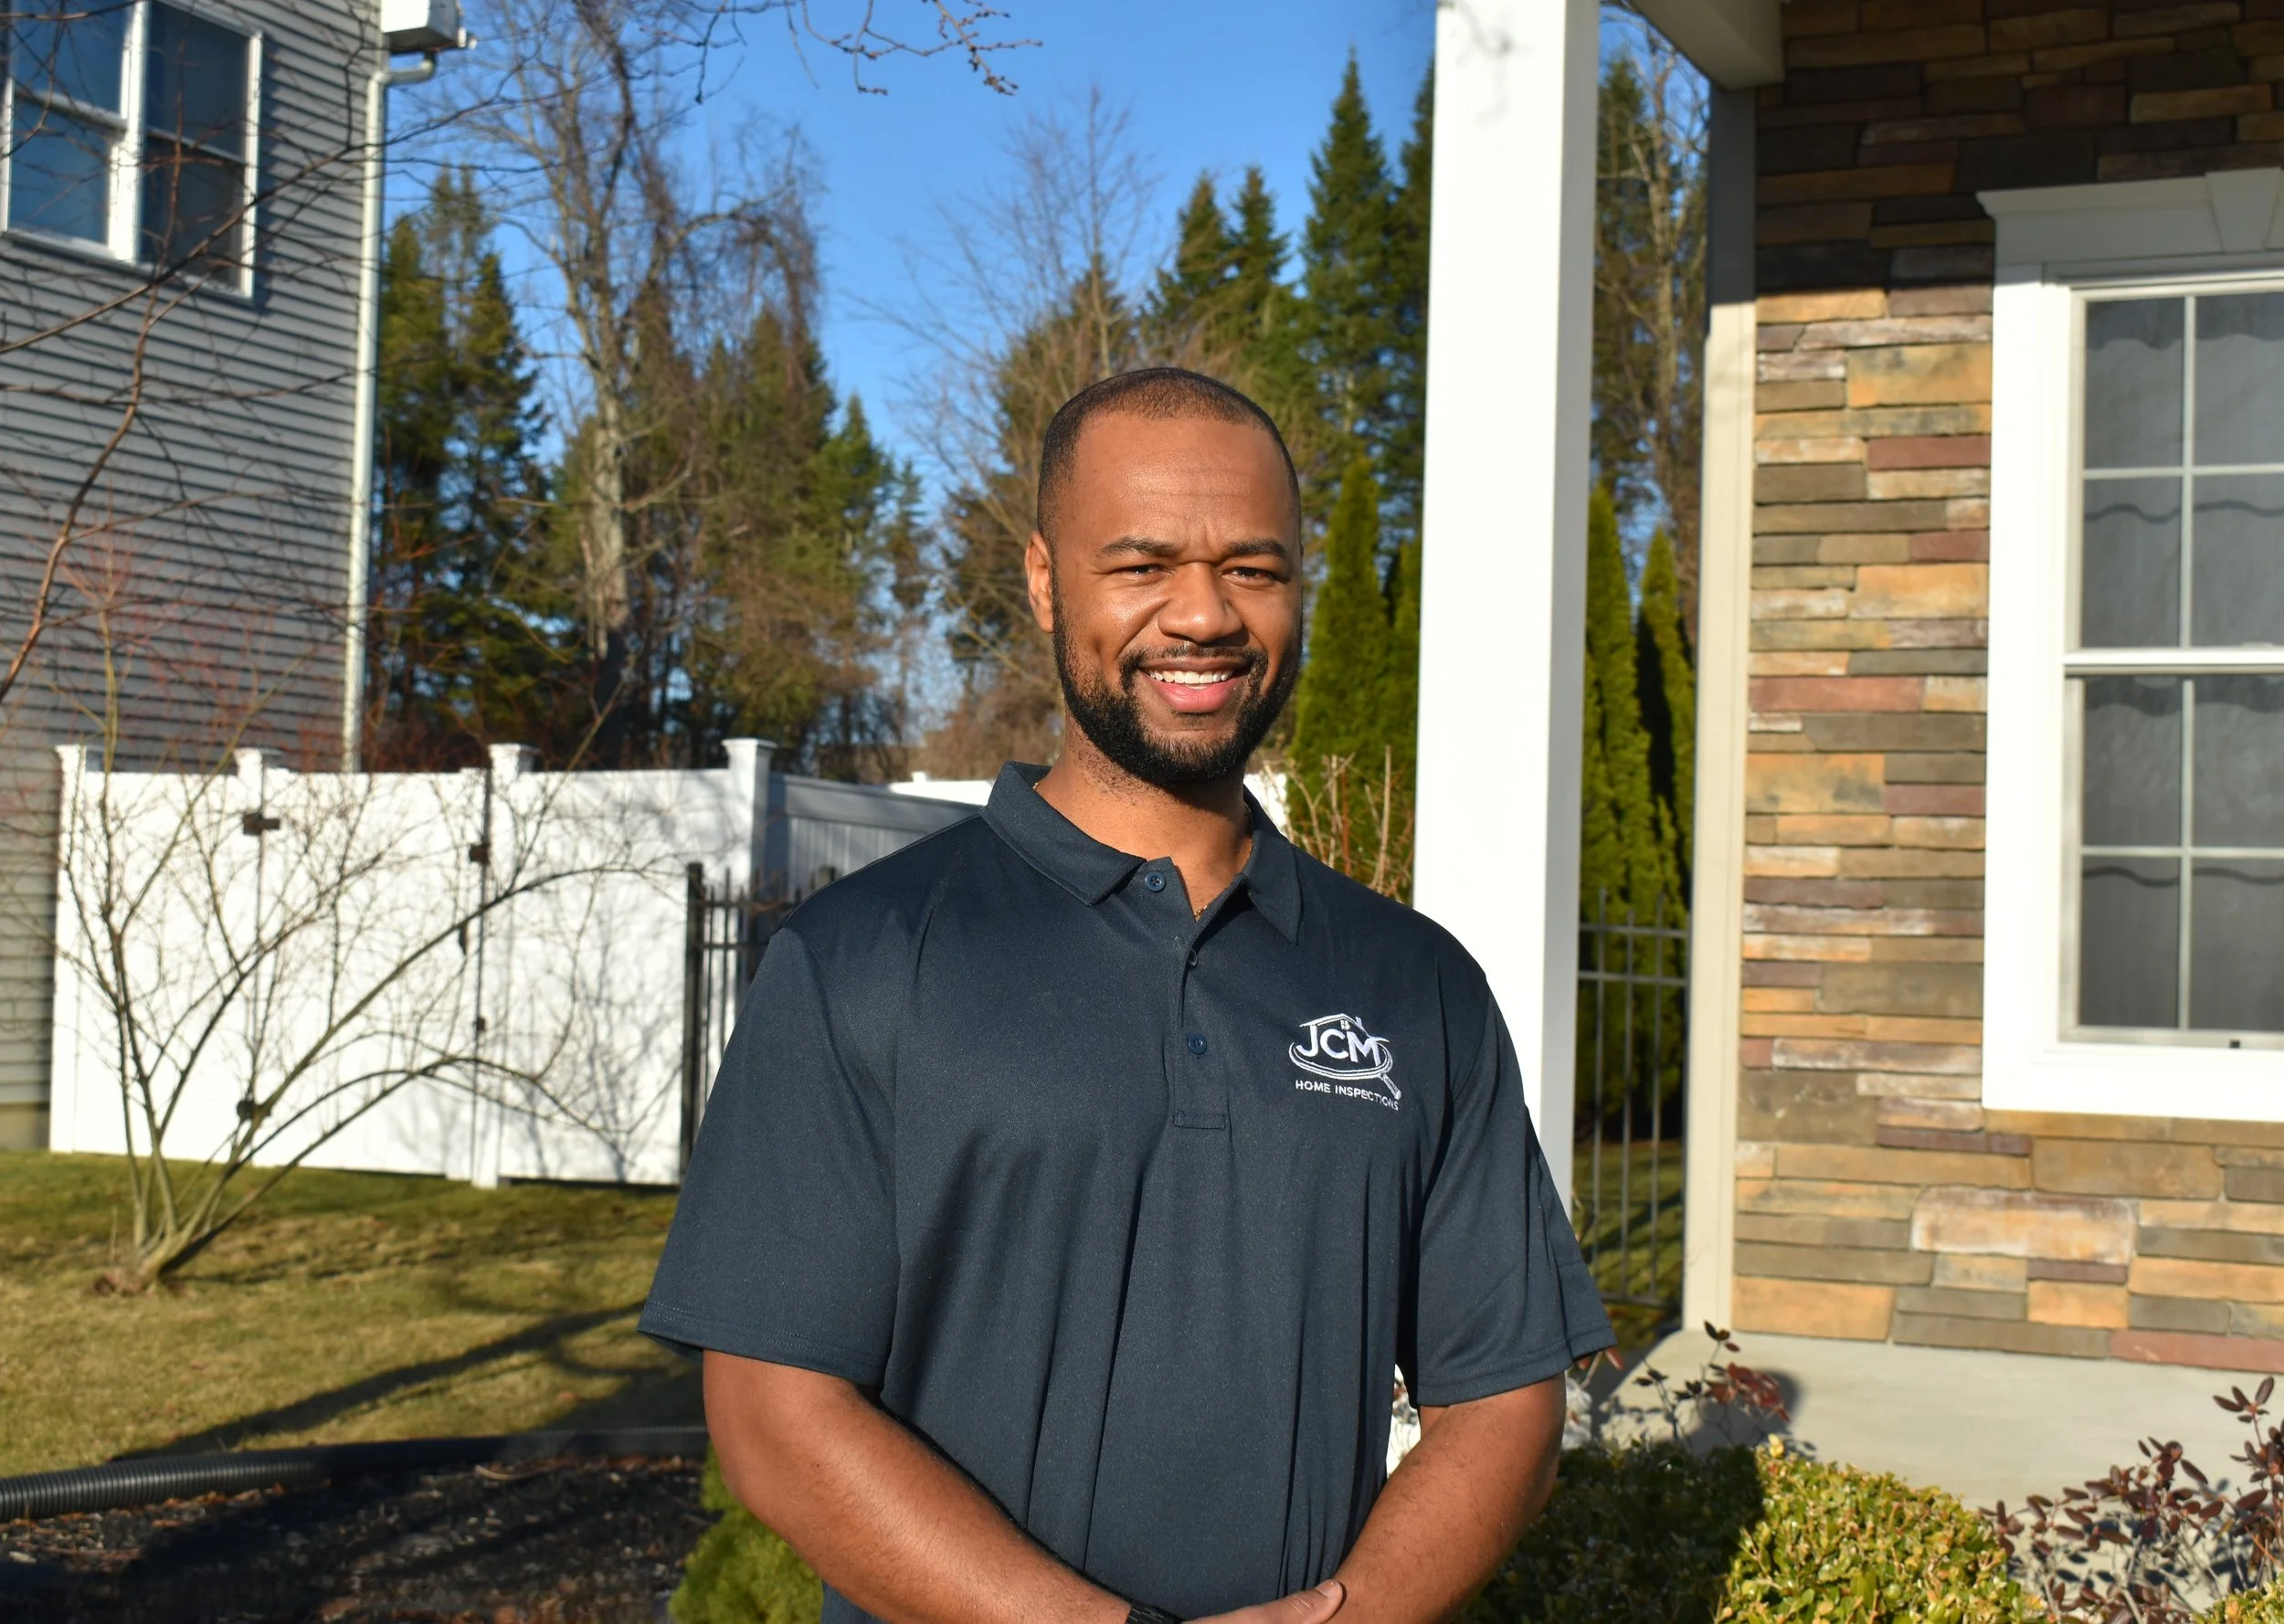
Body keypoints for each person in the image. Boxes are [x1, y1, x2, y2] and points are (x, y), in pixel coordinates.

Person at [640, 368, 1613, 1624]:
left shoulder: (1418, 988)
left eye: (1252, 567)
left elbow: (1505, 1400)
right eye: (1143, 565)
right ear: (1047, 581)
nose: (1203, 614)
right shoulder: (864, 959)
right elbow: (774, 1417)